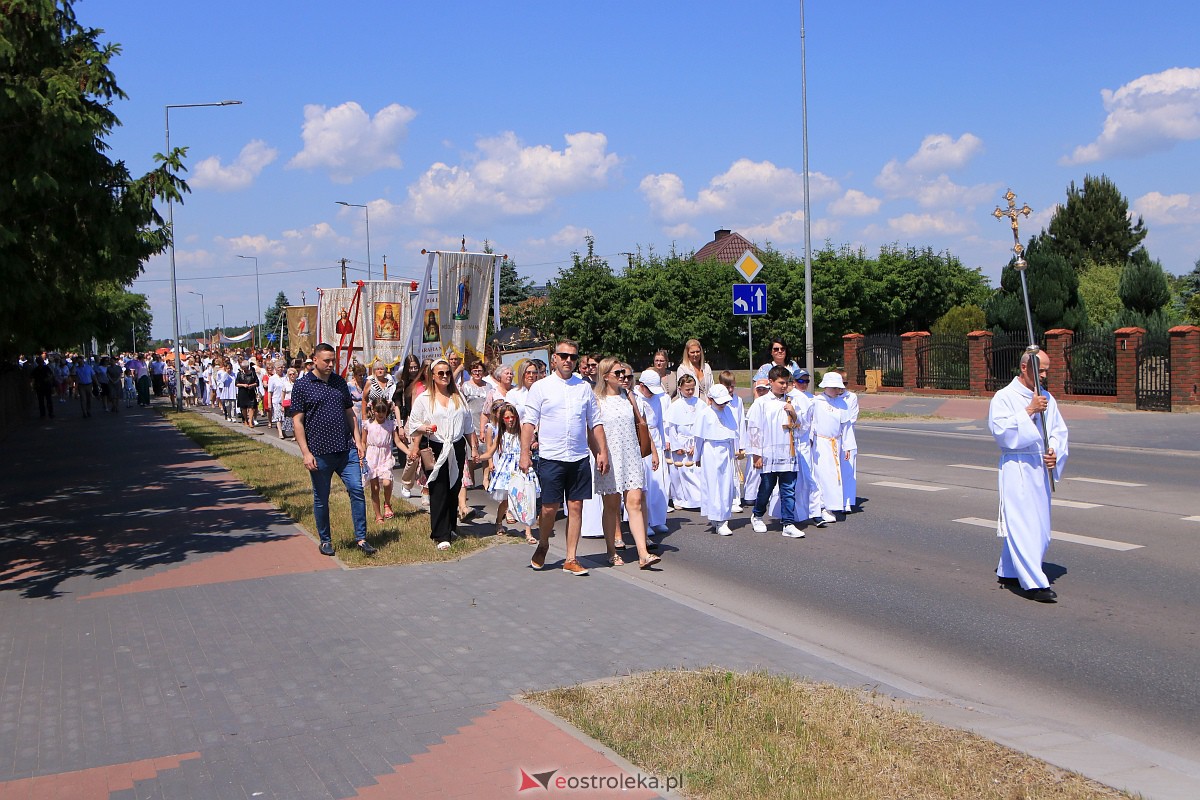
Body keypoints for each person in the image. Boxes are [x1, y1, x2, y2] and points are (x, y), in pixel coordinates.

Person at [520, 340, 609, 576]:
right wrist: (524, 454)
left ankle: (571, 558)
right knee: (549, 508)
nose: (568, 360)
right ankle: (543, 543)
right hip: (551, 456)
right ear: (554, 359)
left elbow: (595, 423)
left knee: (576, 506)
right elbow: (528, 422)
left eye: (572, 357)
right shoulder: (541, 387)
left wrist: (602, 451)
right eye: (563, 356)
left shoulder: (583, 388)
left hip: (578, 456)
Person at [991, 349, 1068, 603]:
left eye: (1046, 370)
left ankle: (1009, 570)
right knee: (1024, 525)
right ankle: (1034, 583)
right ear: (1025, 368)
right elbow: (1001, 432)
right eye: (1041, 370)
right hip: (1018, 466)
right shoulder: (1004, 397)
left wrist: (1054, 452)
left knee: (1041, 528)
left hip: (1040, 469)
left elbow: (1058, 431)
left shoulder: (1048, 397)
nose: (1044, 375)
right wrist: (1029, 411)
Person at [291, 343, 376, 556]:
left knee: (357, 490)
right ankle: (325, 540)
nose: (330, 364)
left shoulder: (339, 382)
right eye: (326, 360)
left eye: (333, 360)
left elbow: (350, 413)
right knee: (322, 497)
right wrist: (305, 452)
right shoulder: (302, 386)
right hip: (319, 452)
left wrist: (358, 441)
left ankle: (361, 538)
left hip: (346, 450)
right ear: (315, 360)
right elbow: (298, 421)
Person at [593, 358, 662, 569]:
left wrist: (631, 394)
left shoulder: (628, 396)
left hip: (630, 455)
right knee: (612, 506)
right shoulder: (597, 400)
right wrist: (599, 453)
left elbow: (641, 422)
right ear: (606, 377)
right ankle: (611, 550)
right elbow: (593, 429)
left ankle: (643, 553)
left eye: (624, 374)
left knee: (634, 502)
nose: (623, 377)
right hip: (611, 457)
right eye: (618, 374)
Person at [406, 358, 478, 551]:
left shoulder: (458, 397)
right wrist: (425, 428)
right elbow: (413, 425)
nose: (445, 376)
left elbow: (468, 425)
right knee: (439, 490)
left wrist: (474, 448)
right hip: (436, 447)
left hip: (456, 447)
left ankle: (451, 527)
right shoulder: (424, 398)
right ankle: (440, 533)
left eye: (447, 372)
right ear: (433, 376)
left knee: (454, 487)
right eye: (441, 373)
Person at [745, 366, 806, 539]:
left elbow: (801, 427)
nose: (784, 386)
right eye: (780, 382)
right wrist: (756, 454)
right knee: (766, 487)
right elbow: (754, 429)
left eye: (786, 383)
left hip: (788, 452)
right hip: (769, 453)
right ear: (771, 382)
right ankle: (757, 515)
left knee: (788, 489)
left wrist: (793, 413)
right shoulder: (762, 403)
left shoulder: (791, 401)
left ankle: (788, 523)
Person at [478, 402, 536, 544]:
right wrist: (478, 458)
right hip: (506, 468)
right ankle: (499, 522)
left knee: (525, 499)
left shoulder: (521, 431)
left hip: (520, 467)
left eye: (513, 417)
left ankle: (528, 532)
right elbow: (490, 452)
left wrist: (528, 453)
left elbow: (529, 445)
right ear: (502, 420)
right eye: (507, 418)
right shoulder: (501, 434)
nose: (511, 420)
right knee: (505, 501)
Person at [694, 384, 740, 535]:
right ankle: (717, 518)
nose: (723, 405)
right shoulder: (705, 413)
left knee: (726, 484)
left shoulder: (730, 411)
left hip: (726, 449)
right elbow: (699, 437)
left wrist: (736, 451)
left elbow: (734, 432)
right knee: (713, 483)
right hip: (710, 449)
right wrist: (697, 455)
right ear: (711, 399)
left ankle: (723, 516)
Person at [811, 372, 852, 520]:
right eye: (834, 388)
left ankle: (832, 505)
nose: (837, 391)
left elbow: (846, 427)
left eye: (838, 388)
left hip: (836, 443)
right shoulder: (816, 402)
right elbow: (811, 424)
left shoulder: (842, 403)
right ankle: (822, 506)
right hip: (821, 443)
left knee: (835, 476)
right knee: (822, 474)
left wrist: (847, 446)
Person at [635, 369, 671, 534]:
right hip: (643, 441)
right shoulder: (635, 398)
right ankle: (645, 521)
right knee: (646, 484)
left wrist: (663, 443)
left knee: (659, 484)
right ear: (641, 386)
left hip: (657, 439)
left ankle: (658, 518)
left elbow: (661, 422)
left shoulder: (657, 398)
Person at [665, 373, 703, 510]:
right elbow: (671, 428)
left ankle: (697, 500)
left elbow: (702, 426)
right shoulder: (675, 406)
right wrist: (676, 446)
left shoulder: (700, 403)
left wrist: (696, 445)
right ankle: (679, 499)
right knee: (678, 472)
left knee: (695, 472)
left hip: (694, 441)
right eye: (687, 389)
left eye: (693, 388)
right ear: (680, 389)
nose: (690, 392)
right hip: (680, 441)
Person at [364, 398, 403, 523]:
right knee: (374, 488)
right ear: (373, 411)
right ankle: (378, 515)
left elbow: (397, 441)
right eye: (378, 411)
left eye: (383, 411)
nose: (381, 414)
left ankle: (387, 503)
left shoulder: (390, 424)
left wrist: (408, 452)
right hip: (372, 456)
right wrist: (361, 456)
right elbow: (363, 442)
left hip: (385, 456)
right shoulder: (368, 424)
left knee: (387, 482)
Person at [235, 360, 260, 428]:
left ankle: (250, 420)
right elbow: (236, 383)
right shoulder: (239, 374)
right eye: (243, 368)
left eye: (245, 368)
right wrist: (243, 385)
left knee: (251, 407)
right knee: (244, 408)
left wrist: (252, 385)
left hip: (251, 392)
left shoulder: (252, 373)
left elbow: (257, 382)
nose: (244, 369)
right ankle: (245, 420)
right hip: (242, 392)